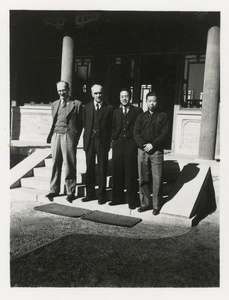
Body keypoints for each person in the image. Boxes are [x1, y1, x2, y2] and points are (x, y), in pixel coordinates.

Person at [46, 81, 83, 202]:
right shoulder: (54, 104)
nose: (61, 93)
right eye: (59, 91)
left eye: (63, 90)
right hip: (56, 135)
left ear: (68, 90)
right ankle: (53, 190)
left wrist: (75, 137)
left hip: (68, 136)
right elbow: (54, 120)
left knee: (69, 164)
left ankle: (70, 191)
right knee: (55, 163)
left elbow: (80, 124)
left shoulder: (76, 104)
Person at [133, 91, 169, 215]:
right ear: (146, 102)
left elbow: (164, 133)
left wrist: (153, 145)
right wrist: (144, 145)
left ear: (157, 102)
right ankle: (145, 204)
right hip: (143, 150)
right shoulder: (141, 117)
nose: (152, 103)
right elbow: (136, 133)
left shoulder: (163, 116)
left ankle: (156, 205)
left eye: (154, 101)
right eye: (150, 101)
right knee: (143, 178)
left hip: (156, 150)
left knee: (157, 179)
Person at [109, 88, 143, 209]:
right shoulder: (116, 111)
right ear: (119, 98)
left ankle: (132, 200)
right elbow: (112, 127)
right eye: (122, 96)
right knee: (116, 171)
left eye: (126, 96)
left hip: (130, 144)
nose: (124, 98)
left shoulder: (137, 111)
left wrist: (136, 142)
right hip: (118, 144)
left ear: (131, 97)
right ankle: (117, 198)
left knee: (131, 172)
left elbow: (140, 128)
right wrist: (113, 139)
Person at [82, 84, 113, 204]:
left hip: (102, 142)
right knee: (89, 167)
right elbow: (85, 123)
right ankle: (89, 194)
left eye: (100, 93)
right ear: (92, 94)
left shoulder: (109, 108)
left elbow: (111, 126)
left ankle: (101, 195)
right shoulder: (87, 107)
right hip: (90, 140)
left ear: (103, 93)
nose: (98, 95)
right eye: (96, 93)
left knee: (102, 168)